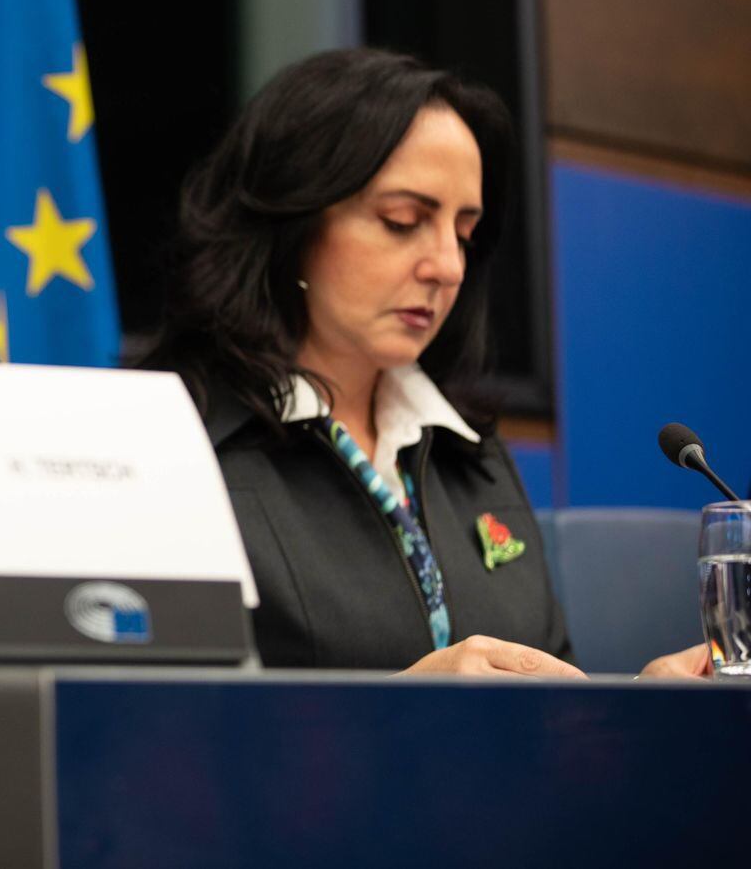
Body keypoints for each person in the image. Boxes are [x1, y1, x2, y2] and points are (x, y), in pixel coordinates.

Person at [142, 48, 708, 678]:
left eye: (464, 234)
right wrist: (400, 710)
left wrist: (646, 700)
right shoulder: (173, 443)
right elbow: (158, 725)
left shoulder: (468, 450)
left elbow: (551, 695)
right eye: (403, 221)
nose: (447, 266)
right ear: (291, 224)